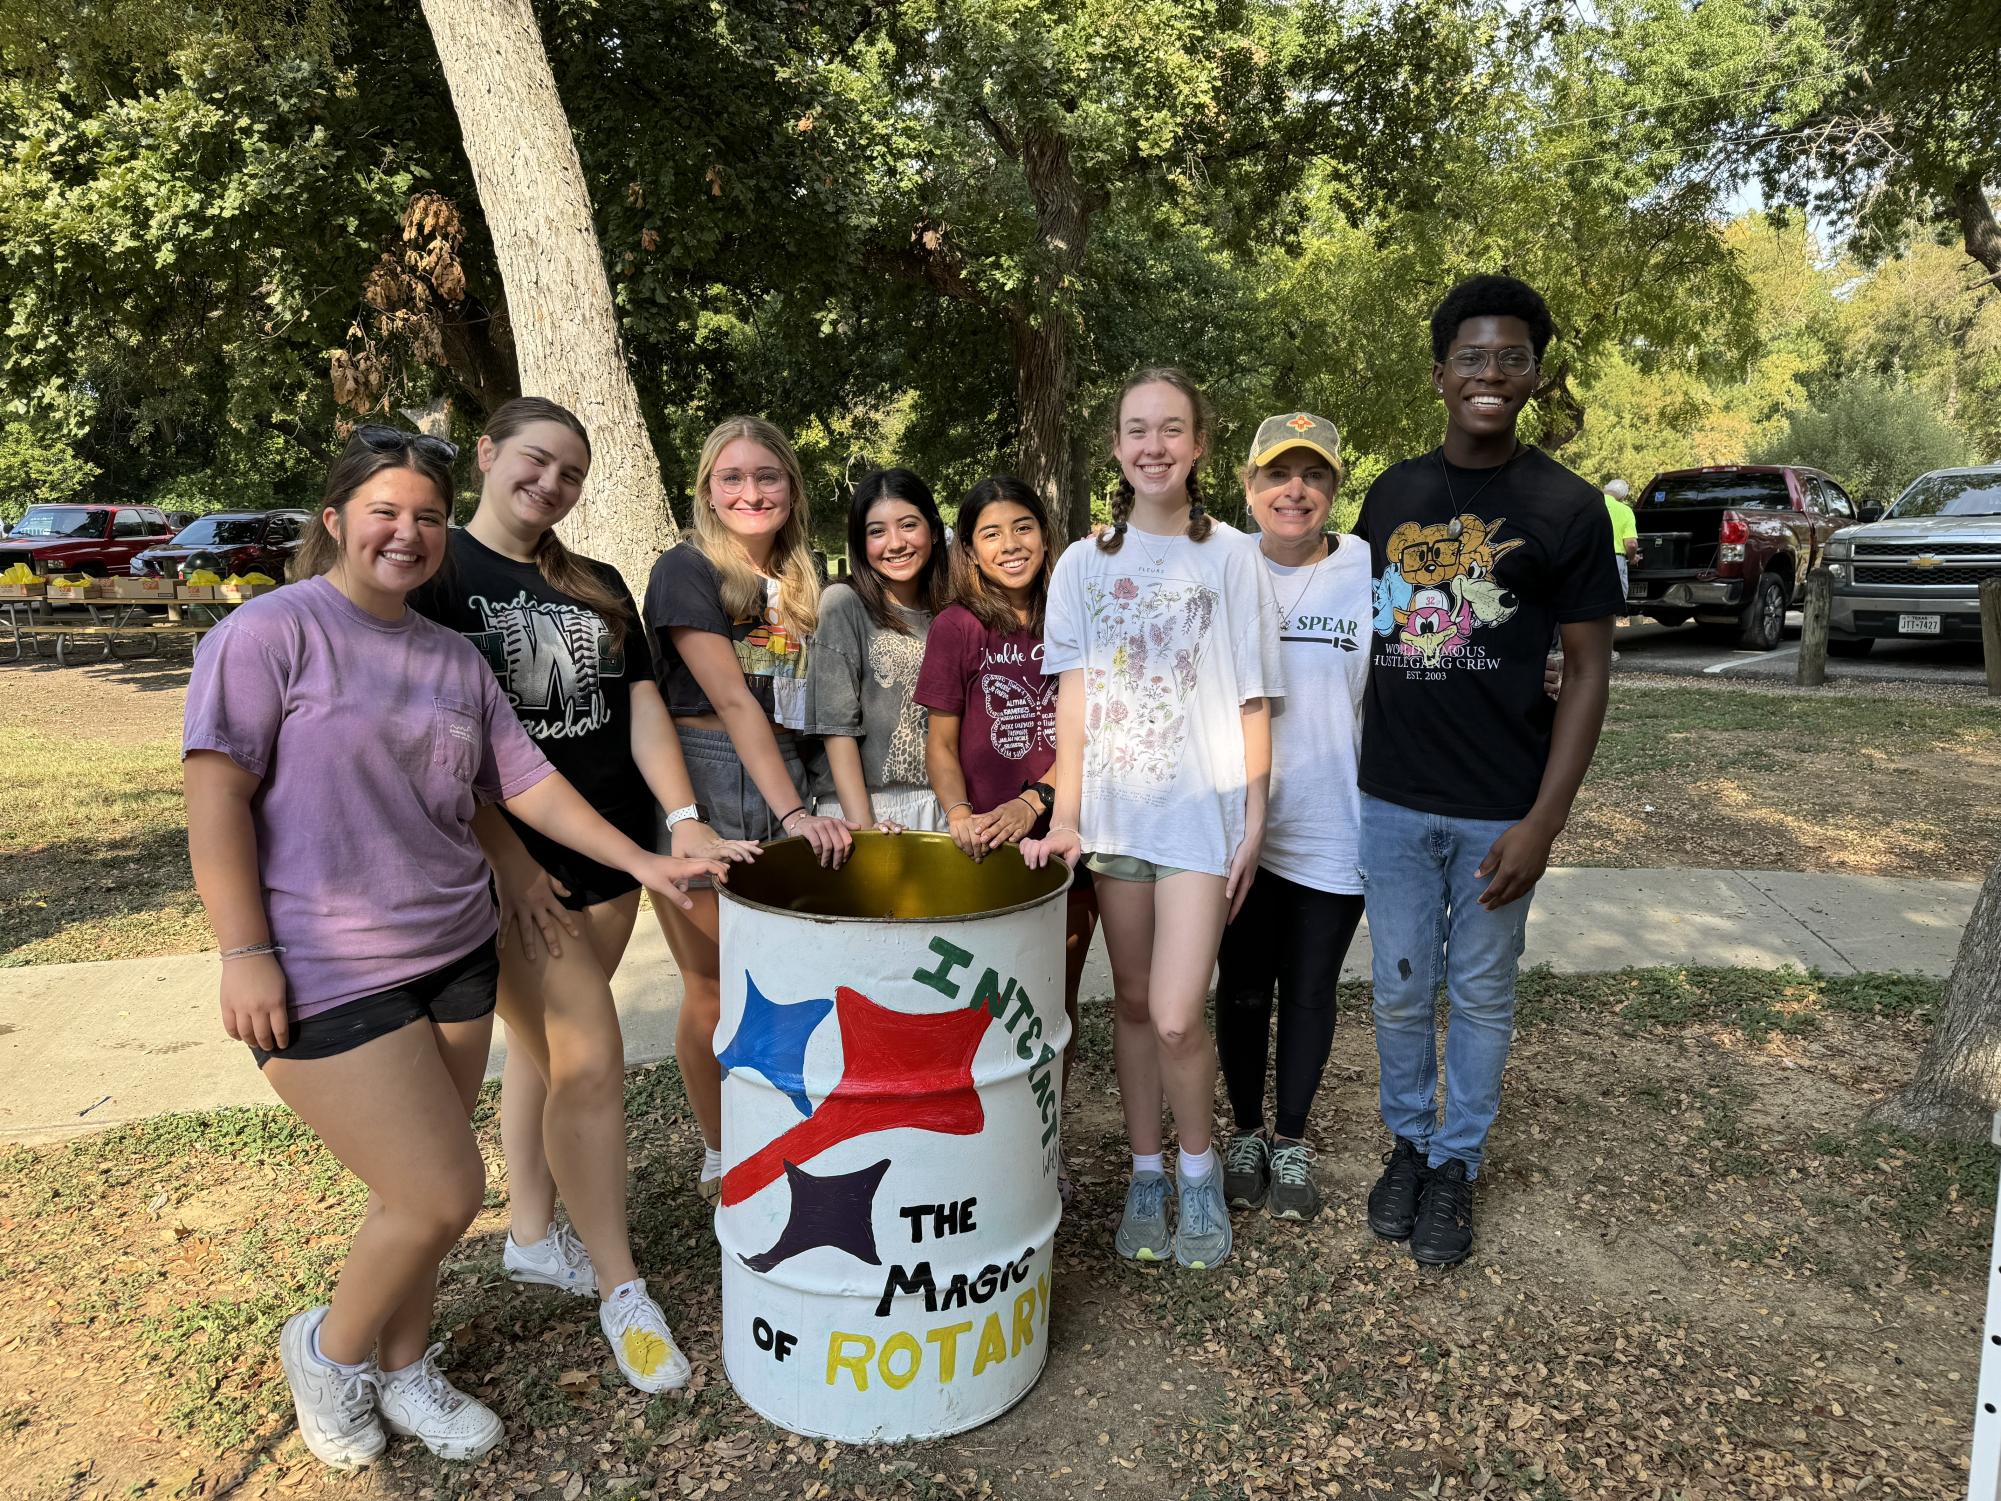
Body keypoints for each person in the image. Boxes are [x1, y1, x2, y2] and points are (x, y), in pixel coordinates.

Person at [183, 427, 727, 1471]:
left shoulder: (448, 656)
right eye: (386, 511)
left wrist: (646, 856)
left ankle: (403, 1364)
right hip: (325, 963)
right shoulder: (270, 633)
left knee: (415, 1193)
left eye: (426, 517)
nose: (409, 532)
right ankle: (329, 1350)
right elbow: (216, 799)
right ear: (337, 519)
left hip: (454, 949)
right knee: (442, 1191)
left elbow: (523, 783)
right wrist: (242, 947)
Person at [409, 397, 757, 1393]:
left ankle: (528, 1227)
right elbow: (448, 748)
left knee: (547, 1048)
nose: (552, 483)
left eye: (571, 471)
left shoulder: (596, 581)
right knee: (590, 1057)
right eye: (535, 460)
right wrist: (511, 863)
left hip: (610, 848)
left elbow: (641, 708)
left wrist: (681, 814)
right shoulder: (439, 574)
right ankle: (621, 1287)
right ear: (486, 453)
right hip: (515, 871)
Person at [1356, 274, 1618, 1268]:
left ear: (1534, 375)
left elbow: (1590, 671)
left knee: (1481, 993)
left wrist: (1545, 822)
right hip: (1391, 800)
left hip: (1499, 806)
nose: (1491, 373)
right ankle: (1408, 1145)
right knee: (1397, 989)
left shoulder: (1568, 505)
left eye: (1512, 357)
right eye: (1473, 356)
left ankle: (1457, 1163)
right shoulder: (1391, 495)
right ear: (1438, 373)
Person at [1022, 368, 1282, 1272]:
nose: (1154, 445)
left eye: (1172, 428)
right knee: (1131, 1004)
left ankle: (1199, 1174)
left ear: (1200, 444)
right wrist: (1069, 815)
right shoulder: (1083, 564)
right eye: (1137, 429)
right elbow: (1074, 704)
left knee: (1177, 1013)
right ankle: (1145, 1174)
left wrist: (1252, 818)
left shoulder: (1234, 556)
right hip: (1115, 823)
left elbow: (1253, 697)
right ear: (1116, 446)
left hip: (1200, 822)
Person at [641, 417, 853, 1204]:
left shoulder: (799, 583)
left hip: (784, 767)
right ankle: (721, 1147)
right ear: (706, 490)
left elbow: (800, 702)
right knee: (714, 986)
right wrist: (797, 813)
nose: (750, 492)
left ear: (791, 489)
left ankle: (777, 1125)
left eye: (766, 476)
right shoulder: (685, 570)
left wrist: (815, 798)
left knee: (786, 975)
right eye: (731, 478)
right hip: (713, 770)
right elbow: (731, 699)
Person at [915, 475, 1100, 1203]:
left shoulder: (1072, 614)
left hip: (1063, 840)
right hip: (982, 848)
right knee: (975, 1009)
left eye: (1022, 527)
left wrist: (1038, 801)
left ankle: (1041, 1147)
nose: (1009, 544)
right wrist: (959, 812)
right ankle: (979, 1152)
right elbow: (940, 741)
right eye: (989, 533)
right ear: (969, 551)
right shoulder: (957, 626)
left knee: (1054, 1005)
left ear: (1045, 535)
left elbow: (1090, 729)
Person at [1215, 413, 1370, 1225]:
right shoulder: (1219, 564)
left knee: (1309, 990)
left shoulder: (1366, 570)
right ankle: (1243, 1132)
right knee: (1241, 990)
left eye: (1313, 476)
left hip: (1331, 817)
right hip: (1236, 828)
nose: (1294, 490)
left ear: (1333, 490)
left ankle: (1293, 1138)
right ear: (1248, 488)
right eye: (1278, 474)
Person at [802, 468, 952, 832]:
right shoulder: (843, 604)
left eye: (908, 525)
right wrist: (864, 827)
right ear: (860, 542)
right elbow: (837, 728)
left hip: (941, 803)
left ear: (932, 530)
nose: (895, 543)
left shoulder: (951, 612)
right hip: (865, 808)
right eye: (877, 532)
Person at [1603, 476, 1638, 638]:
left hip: (1589, 558)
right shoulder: (1624, 510)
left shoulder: (1591, 505)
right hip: (1615, 560)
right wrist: (1632, 558)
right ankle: (1607, 649)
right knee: (1612, 605)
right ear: (1623, 496)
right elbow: (1631, 544)